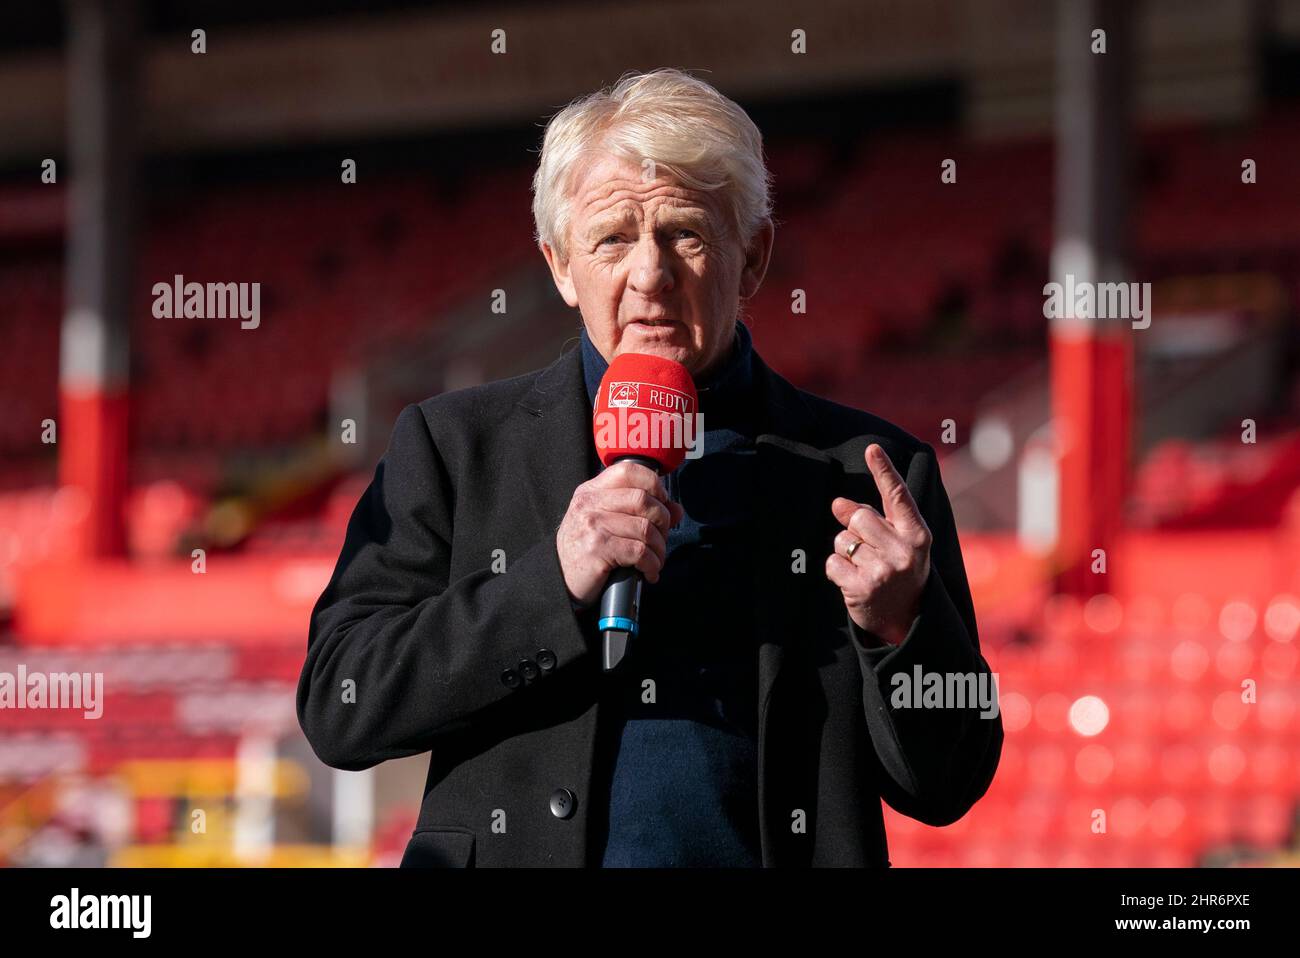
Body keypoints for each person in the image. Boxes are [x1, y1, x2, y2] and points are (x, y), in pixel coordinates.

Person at [296, 68, 1002, 867]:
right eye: (613, 239)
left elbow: (949, 783)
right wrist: (550, 582)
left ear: (755, 257)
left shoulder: (870, 473)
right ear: (560, 266)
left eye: (686, 233)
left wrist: (901, 630)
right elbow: (340, 706)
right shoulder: (455, 446)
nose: (650, 274)